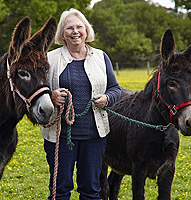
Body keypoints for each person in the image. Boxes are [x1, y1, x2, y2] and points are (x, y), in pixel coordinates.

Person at [41, 8, 121, 200]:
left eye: (79, 27)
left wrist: (107, 99)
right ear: (62, 34)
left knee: (91, 191)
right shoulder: (50, 58)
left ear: (86, 30)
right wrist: (51, 95)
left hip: (94, 137)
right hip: (59, 137)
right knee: (59, 190)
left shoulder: (101, 57)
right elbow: (38, 91)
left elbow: (115, 89)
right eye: (69, 28)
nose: (75, 31)